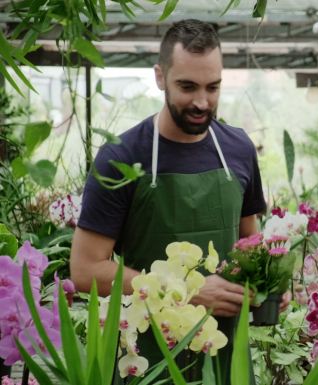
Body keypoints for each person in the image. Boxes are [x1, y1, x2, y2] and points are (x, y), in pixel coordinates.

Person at [70, 19, 267, 383]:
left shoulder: (238, 149)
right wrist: (187, 290)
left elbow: (248, 245)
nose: (201, 102)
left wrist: (264, 285)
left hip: (224, 353)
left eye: (213, 87)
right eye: (187, 87)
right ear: (160, 77)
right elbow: (85, 270)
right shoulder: (122, 156)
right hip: (149, 354)